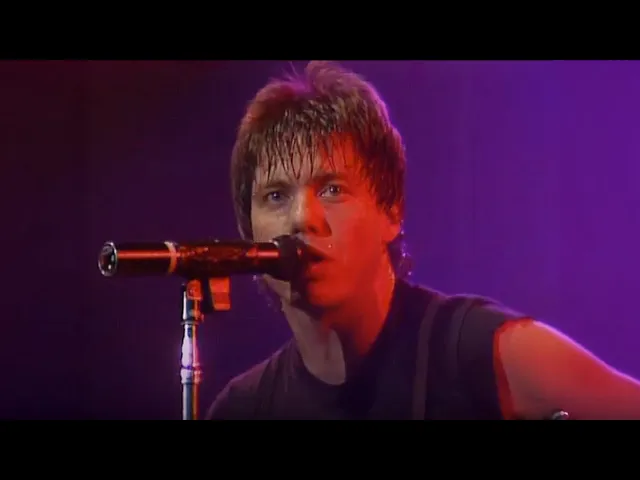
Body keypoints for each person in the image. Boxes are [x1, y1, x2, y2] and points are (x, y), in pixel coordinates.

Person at [206, 60, 640, 420]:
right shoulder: (244, 408)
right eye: (276, 196)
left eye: (332, 189)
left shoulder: (483, 353)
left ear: (391, 209)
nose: (302, 218)